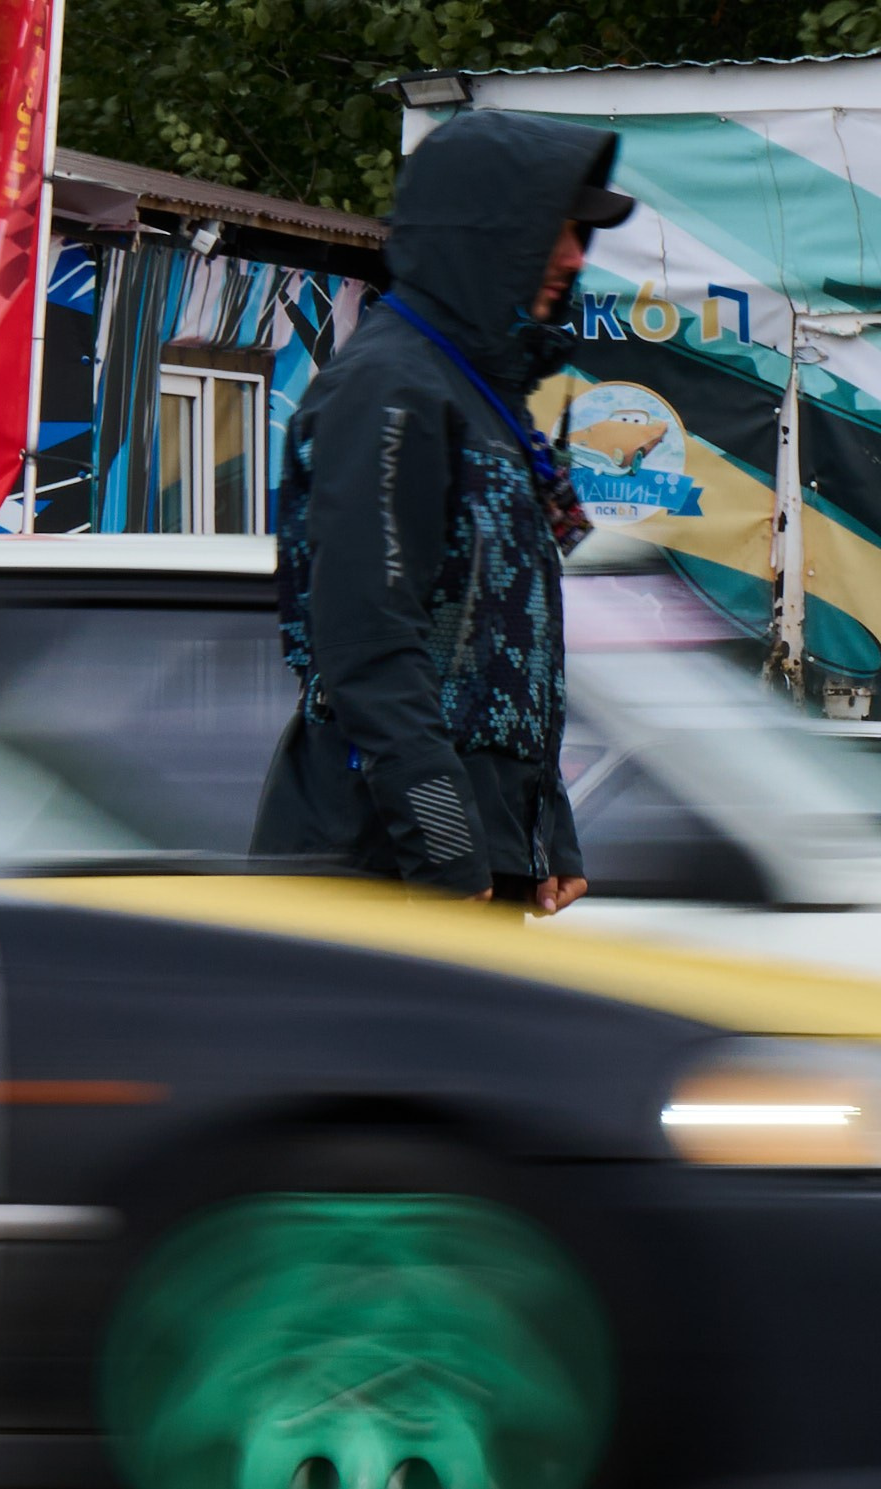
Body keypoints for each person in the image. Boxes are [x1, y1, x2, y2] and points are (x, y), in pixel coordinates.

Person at [252, 110, 634, 913]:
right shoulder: (390, 391)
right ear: (486, 235)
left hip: (454, 865)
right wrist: (448, 848)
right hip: (379, 873)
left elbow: (506, 647)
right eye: (555, 232)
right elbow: (369, 645)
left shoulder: (478, 394)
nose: (573, 258)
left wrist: (545, 830)